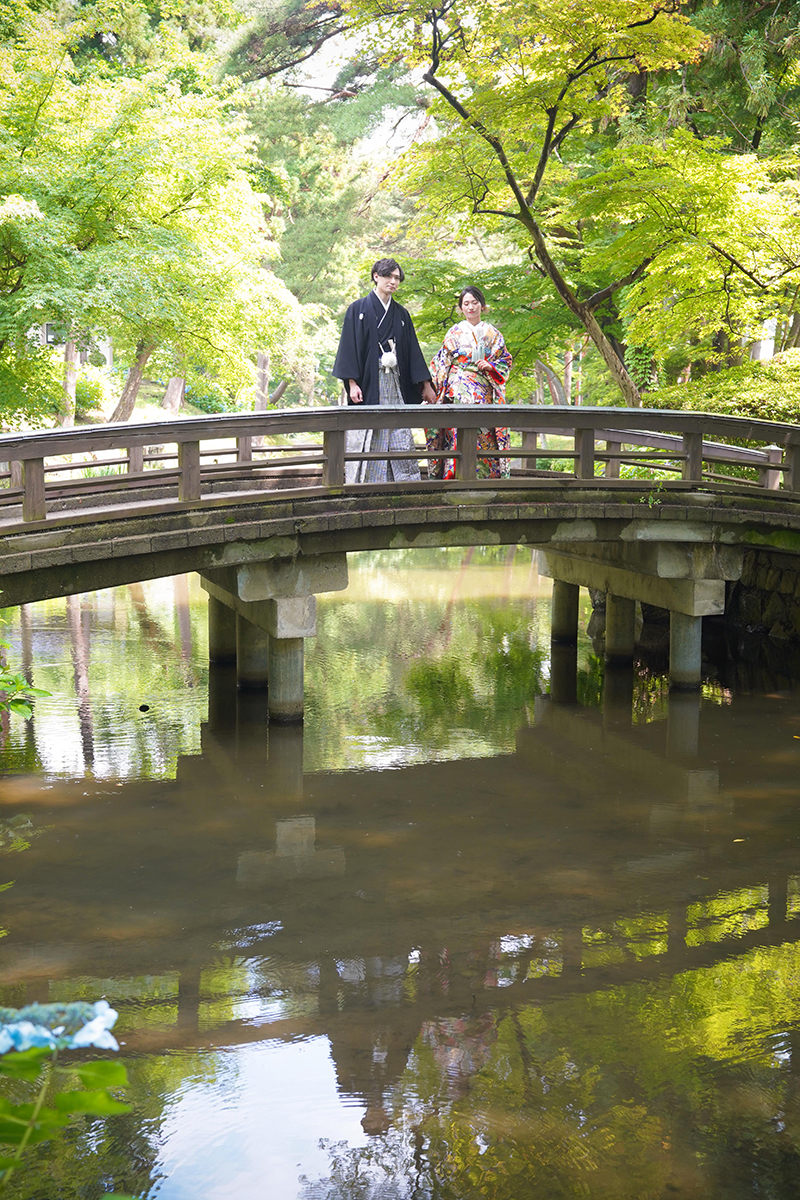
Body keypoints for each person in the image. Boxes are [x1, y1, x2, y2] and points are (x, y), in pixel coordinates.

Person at [332, 258, 436, 483]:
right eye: (388, 276)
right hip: (370, 382)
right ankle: (371, 482)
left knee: (399, 427)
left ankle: (405, 481)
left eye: (397, 278)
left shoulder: (401, 314)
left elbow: (413, 351)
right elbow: (348, 348)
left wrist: (425, 384)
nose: (393, 281)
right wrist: (352, 383)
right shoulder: (357, 309)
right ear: (376, 276)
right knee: (373, 428)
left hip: (396, 382)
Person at [426, 286, 512, 479]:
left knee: (484, 428)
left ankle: (485, 474)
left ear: (482, 306)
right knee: (456, 426)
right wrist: (431, 387)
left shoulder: (493, 333)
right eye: (466, 304)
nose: (471, 307)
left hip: (484, 387)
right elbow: (441, 363)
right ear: (461, 308)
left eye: (475, 303)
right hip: (457, 388)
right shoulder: (454, 332)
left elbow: (505, 360)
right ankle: (455, 472)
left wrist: (491, 367)